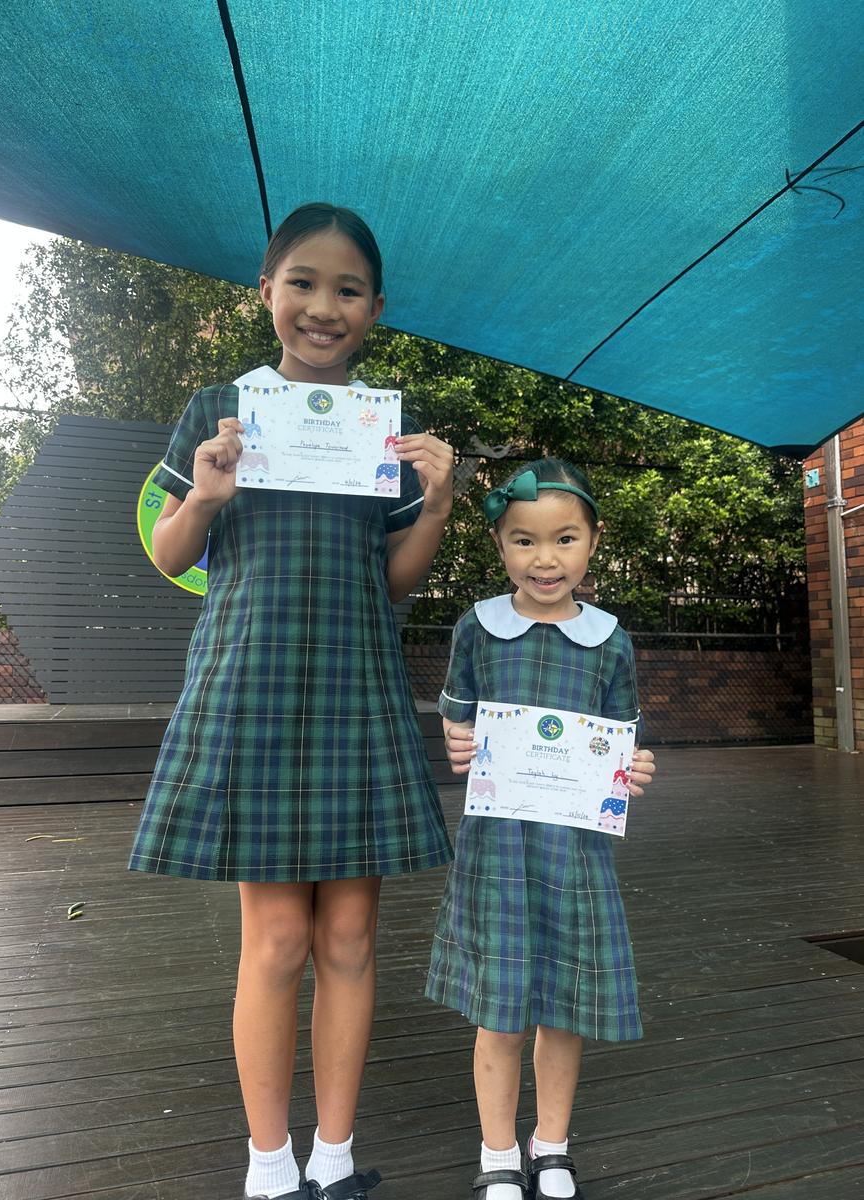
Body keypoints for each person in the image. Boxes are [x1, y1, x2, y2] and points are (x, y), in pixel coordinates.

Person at [129, 203, 455, 1200]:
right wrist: (206, 495)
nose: (324, 306)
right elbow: (169, 553)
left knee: (350, 939)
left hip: (358, 691)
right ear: (266, 290)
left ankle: (335, 1159)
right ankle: (270, 1169)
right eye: (303, 283)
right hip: (252, 688)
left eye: (348, 290)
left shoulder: (384, 425)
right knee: (274, 941)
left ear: (376, 308)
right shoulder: (219, 408)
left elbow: (393, 581)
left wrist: (438, 503)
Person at [426, 459, 656, 1200]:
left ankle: (550, 1144)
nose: (545, 559)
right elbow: (457, 718)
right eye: (524, 540)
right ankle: (498, 1151)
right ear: (500, 544)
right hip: (497, 849)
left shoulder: (610, 641)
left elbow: (622, 740)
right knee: (500, 1010)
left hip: (576, 851)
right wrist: (457, 741)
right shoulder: (478, 628)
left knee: (565, 1005)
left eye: (564, 538)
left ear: (593, 541)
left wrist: (633, 769)